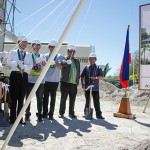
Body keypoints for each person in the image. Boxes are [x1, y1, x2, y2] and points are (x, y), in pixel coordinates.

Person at [8, 35, 29, 125]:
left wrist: (23, 66)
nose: (24, 44)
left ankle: (20, 119)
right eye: (22, 42)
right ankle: (12, 118)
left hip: (24, 76)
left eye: (25, 42)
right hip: (15, 75)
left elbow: (30, 66)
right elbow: (9, 63)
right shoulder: (12, 52)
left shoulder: (28, 54)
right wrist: (17, 64)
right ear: (18, 42)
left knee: (21, 98)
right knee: (13, 98)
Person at [25, 39, 46, 122]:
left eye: (38, 45)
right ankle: (27, 114)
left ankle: (39, 115)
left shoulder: (43, 56)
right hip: (30, 80)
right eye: (35, 45)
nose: (36, 46)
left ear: (40, 47)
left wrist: (43, 60)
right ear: (32, 46)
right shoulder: (28, 55)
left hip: (40, 81)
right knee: (28, 98)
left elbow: (45, 64)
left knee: (39, 98)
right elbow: (26, 65)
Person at [42, 40, 63, 120]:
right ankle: (45, 113)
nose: (52, 48)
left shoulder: (59, 56)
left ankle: (51, 114)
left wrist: (53, 63)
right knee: (45, 98)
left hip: (55, 80)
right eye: (51, 47)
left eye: (54, 47)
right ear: (48, 47)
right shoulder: (45, 55)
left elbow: (60, 63)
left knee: (53, 99)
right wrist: (48, 62)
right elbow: (43, 63)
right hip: (46, 80)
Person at [59, 44, 80, 118]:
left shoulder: (77, 60)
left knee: (72, 99)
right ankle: (61, 113)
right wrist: (66, 62)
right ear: (68, 51)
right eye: (70, 51)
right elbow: (61, 64)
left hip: (74, 83)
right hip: (65, 82)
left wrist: (77, 81)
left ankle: (71, 113)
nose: (72, 53)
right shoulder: (64, 58)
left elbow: (78, 71)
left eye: (73, 51)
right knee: (63, 98)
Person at [80, 53, 104, 119]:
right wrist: (82, 84)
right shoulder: (86, 67)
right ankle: (86, 113)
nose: (91, 60)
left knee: (96, 101)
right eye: (90, 58)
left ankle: (98, 115)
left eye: (93, 58)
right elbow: (82, 76)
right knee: (87, 101)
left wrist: (95, 77)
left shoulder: (98, 68)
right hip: (87, 87)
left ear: (95, 59)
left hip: (95, 88)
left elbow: (101, 76)